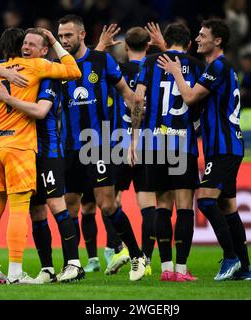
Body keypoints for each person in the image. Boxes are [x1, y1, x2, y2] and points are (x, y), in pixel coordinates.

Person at [0, 27, 81, 284]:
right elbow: (74, 71)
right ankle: (15, 272)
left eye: (33, 44)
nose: (27, 48)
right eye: (27, 44)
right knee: (21, 210)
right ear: (21, 45)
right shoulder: (37, 68)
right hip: (20, 148)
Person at [157, 19, 251, 281]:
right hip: (224, 146)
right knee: (228, 207)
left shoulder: (218, 66)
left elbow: (189, 97)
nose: (197, 39)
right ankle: (244, 269)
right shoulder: (221, 68)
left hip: (224, 147)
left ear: (217, 40)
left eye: (202, 35)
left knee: (206, 201)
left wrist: (176, 72)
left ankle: (231, 257)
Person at [57, 14, 146, 281]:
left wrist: (134, 138)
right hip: (70, 148)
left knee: (107, 205)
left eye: (68, 35)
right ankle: (73, 265)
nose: (64, 40)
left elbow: (129, 97)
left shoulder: (101, 60)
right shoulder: (57, 66)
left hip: (98, 146)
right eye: (60, 36)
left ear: (82, 35)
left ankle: (137, 255)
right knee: (69, 206)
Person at [132, 23, 205, 282]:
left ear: (167, 40)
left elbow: (138, 100)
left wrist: (133, 140)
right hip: (182, 143)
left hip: (154, 143)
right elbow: (198, 102)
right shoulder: (197, 65)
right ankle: (182, 270)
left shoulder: (149, 62)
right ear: (188, 44)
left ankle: (165, 269)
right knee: (185, 207)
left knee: (162, 205)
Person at [95, 25, 157, 276]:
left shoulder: (115, 71)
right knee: (148, 203)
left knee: (111, 202)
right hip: (151, 143)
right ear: (149, 46)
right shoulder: (155, 71)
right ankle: (147, 260)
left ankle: (121, 249)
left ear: (126, 47)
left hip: (118, 142)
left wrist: (101, 46)